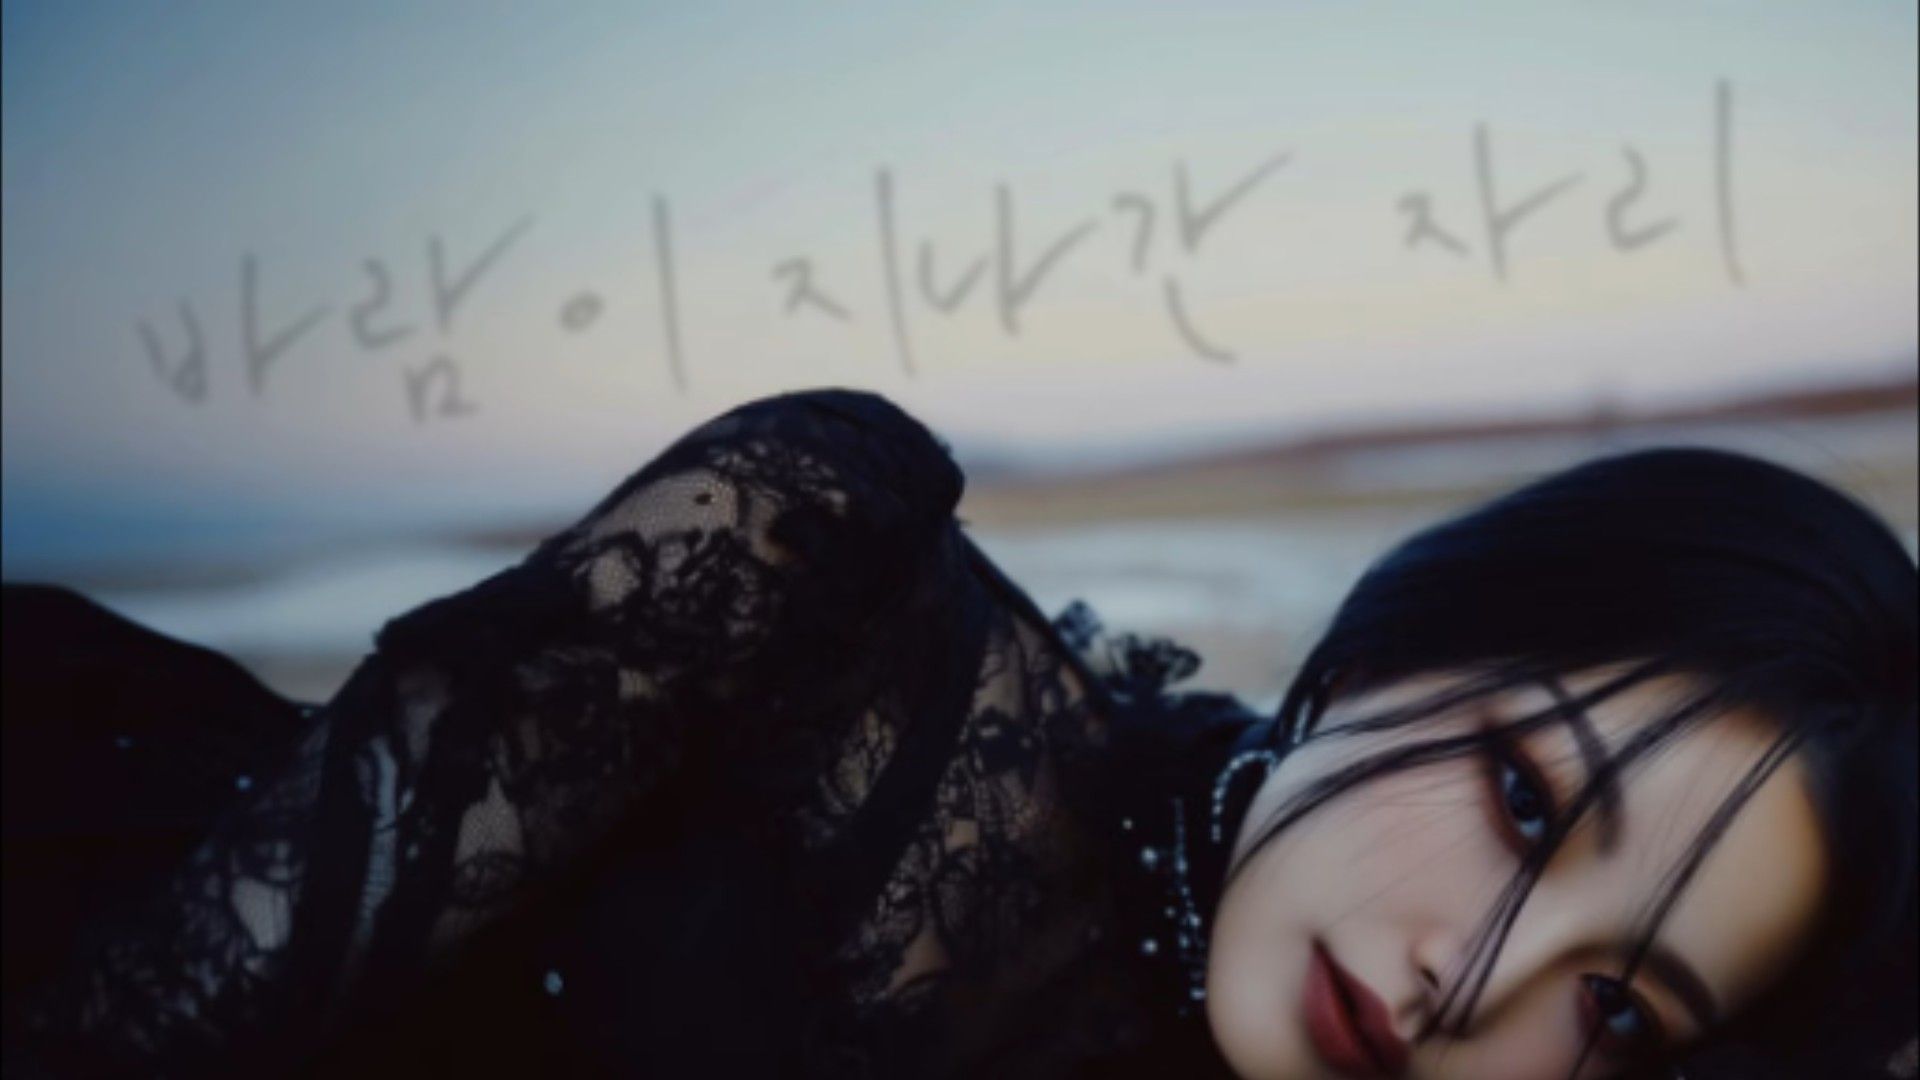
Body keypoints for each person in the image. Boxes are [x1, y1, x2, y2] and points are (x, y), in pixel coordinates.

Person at [2, 386, 1913, 1079]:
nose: (1463, 990)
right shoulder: (818, 589)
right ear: (1403, 649)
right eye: (1522, 796)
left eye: (1619, 1011)